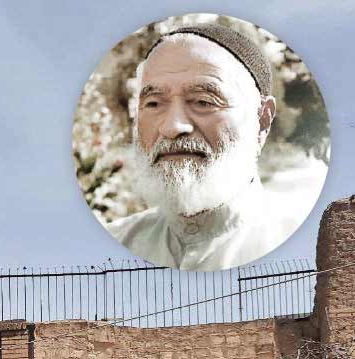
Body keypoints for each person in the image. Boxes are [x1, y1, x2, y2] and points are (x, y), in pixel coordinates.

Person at [107, 24, 319, 271]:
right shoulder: (116, 243)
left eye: (203, 102)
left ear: (262, 120)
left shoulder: (309, 246)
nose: (172, 127)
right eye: (153, 104)